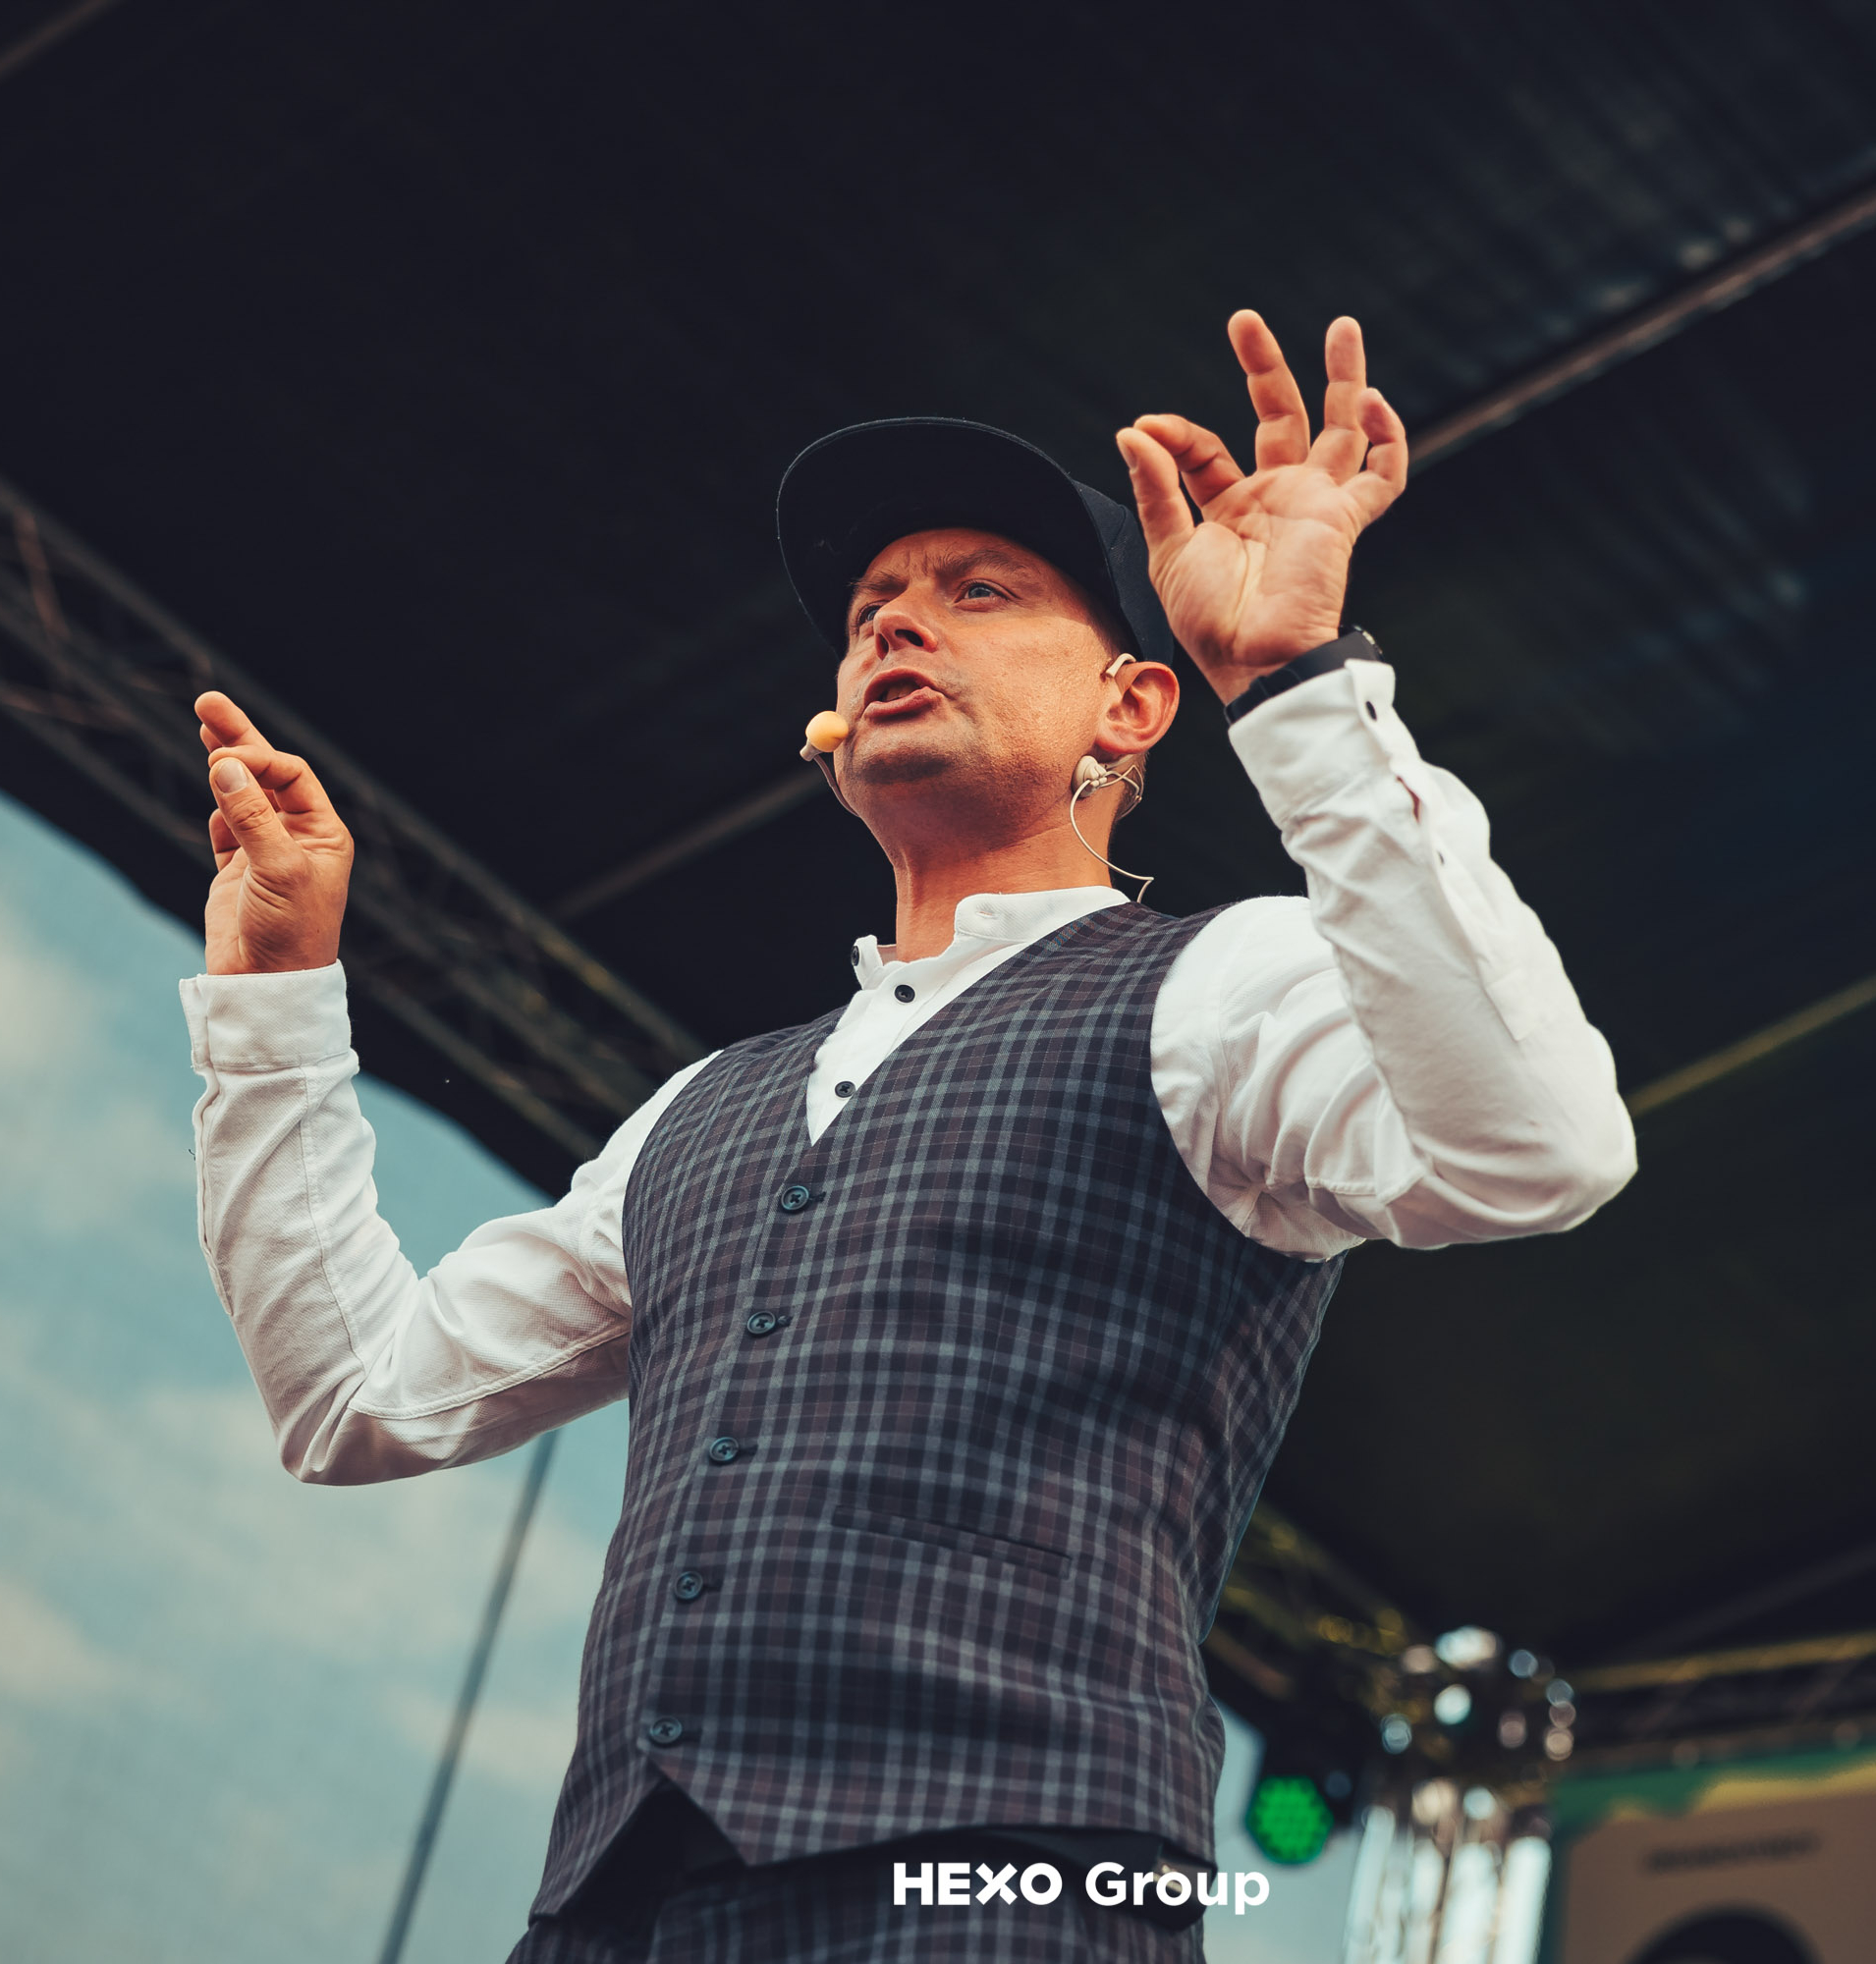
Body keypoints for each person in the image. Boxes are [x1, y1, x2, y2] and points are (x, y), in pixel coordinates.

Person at [183, 312, 1634, 1962]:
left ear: (1133, 704)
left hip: (1009, 1889)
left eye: (979, 591)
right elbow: (359, 1400)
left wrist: (1299, 682)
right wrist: (276, 995)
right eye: (872, 606)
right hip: (618, 1913)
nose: (893, 624)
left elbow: (1538, 1149)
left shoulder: (1224, 985)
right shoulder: (698, 1111)